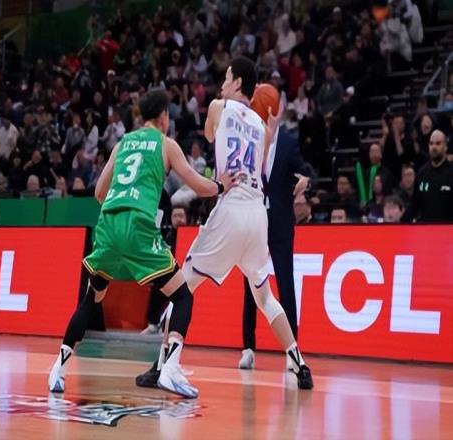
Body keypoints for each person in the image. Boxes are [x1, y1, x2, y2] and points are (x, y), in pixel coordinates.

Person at [137, 57, 313, 391]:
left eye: (227, 78)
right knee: (265, 297)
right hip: (257, 216)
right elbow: (260, 155)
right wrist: (267, 122)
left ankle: (165, 365)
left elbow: (208, 134)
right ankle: (299, 363)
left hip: (230, 208)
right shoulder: (262, 127)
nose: (221, 84)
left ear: (238, 83)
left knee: (181, 287)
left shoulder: (219, 107)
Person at [48, 88, 236, 399]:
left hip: (108, 224)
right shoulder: (166, 144)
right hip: (137, 226)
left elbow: (98, 193)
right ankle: (170, 368)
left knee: (92, 299)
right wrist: (221, 185)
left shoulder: (122, 143)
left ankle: (58, 368)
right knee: (182, 296)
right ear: (163, 117)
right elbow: (198, 185)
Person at [239, 116, 311, 371]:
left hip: (280, 221)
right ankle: (248, 348)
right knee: (250, 284)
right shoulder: (250, 139)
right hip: (254, 219)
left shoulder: (289, 143)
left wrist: (305, 180)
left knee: (285, 283)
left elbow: (306, 170)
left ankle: (292, 351)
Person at [141, 206, 187, 335]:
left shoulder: (192, 235)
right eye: (175, 216)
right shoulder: (166, 237)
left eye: (181, 216)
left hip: (186, 274)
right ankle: (153, 323)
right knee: (158, 285)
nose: (178, 219)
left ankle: (172, 327)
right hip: (171, 274)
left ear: (186, 218)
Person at [402, 130, 453, 222]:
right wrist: (400, 224)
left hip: (448, 228)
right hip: (426, 228)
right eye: (431, 143)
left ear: (445, 147)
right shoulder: (422, 173)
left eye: (438, 143)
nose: (434, 147)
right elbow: (414, 204)